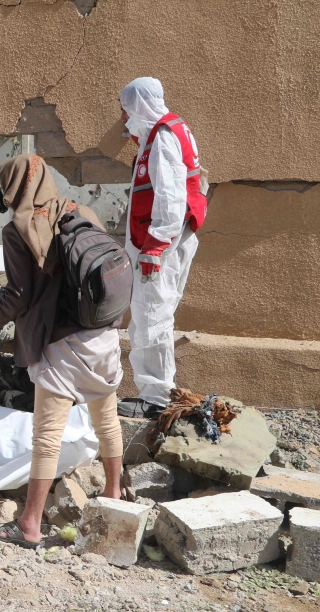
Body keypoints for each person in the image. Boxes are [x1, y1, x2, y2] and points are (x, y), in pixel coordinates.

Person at [0, 154, 123, 546]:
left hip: (63, 343)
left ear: (12, 186)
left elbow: (18, 297)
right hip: (103, 333)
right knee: (106, 418)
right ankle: (115, 493)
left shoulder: (18, 229)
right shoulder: (80, 210)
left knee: (48, 434)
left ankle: (29, 523)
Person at [117, 77, 206, 418]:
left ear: (139, 105)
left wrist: (155, 246)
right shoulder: (161, 133)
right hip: (162, 241)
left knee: (151, 316)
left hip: (161, 244)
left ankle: (154, 398)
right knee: (148, 315)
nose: (125, 115)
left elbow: (170, 197)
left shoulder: (164, 136)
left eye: (127, 108)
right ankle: (153, 392)